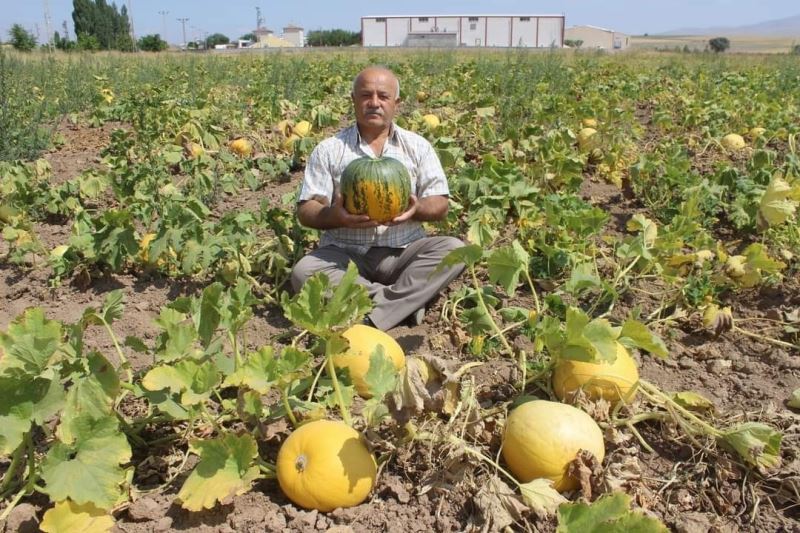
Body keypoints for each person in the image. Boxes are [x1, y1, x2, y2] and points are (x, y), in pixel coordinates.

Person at [290, 66, 465, 331]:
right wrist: (333, 216)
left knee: (455, 250)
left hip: (403, 252)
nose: (374, 103)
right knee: (304, 272)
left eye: (383, 96)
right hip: (344, 254)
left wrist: (415, 209)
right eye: (365, 95)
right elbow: (306, 209)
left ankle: (371, 309)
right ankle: (401, 304)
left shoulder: (418, 146)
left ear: (396, 103)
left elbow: (440, 203)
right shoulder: (328, 149)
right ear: (353, 100)